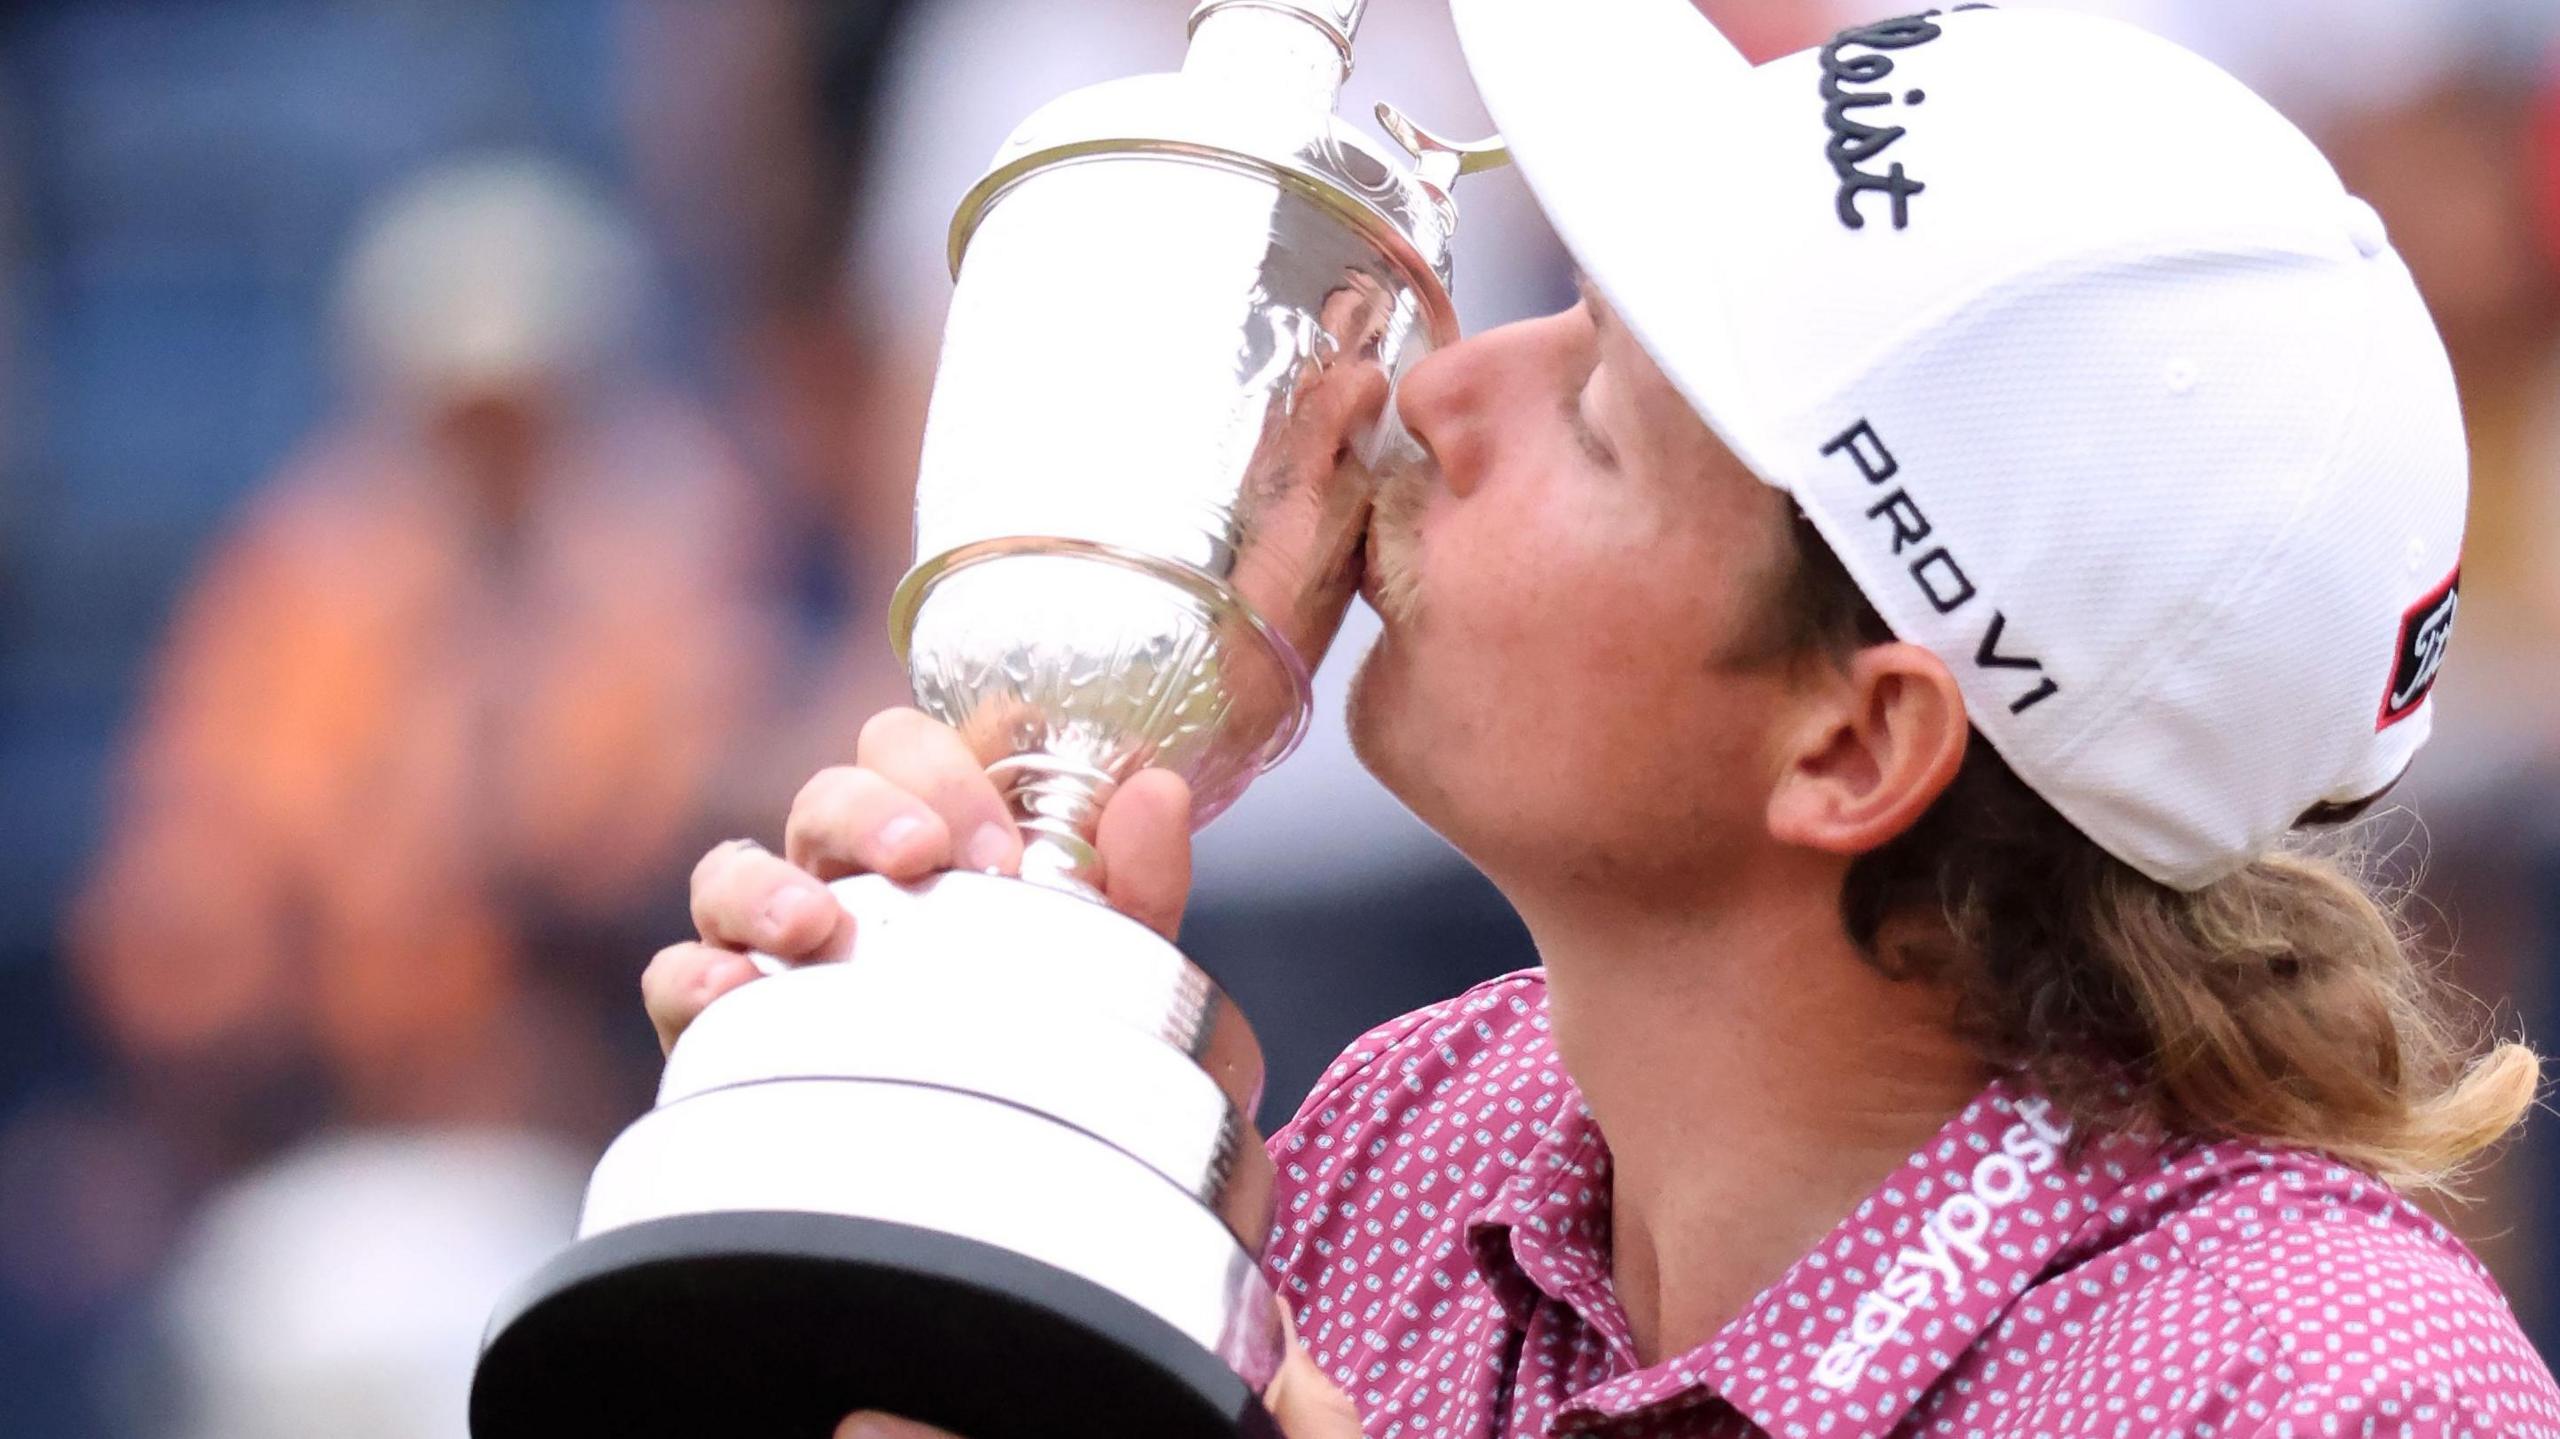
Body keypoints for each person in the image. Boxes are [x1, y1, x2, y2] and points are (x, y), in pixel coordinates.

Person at [643, 4, 2560, 1435]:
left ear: (1854, 746)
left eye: (1599, 411)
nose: (1454, 393)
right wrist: (951, 1234)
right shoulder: (1428, 1131)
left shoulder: (2320, 1384)